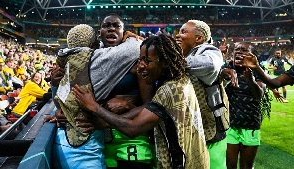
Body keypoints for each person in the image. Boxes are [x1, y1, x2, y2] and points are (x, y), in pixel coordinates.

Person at [72, 34, 209, 169]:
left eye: (147, 61)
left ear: (165, 62)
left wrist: (95, 107)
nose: (140, 66)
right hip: (196, 160)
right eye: (140, 60)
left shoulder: (169, 91)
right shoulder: (180, 80)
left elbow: (133, 128)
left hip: (182, 164)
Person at [50, 14, 154, 169]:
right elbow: (72, 96)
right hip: (99, 142)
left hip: (130, 139)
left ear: (124, 32)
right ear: (99, 33)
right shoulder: (89, 61)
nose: (111, 28)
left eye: (116, 26)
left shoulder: (136, 62)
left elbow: (151, 105)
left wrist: (114, 115)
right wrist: (61, 110)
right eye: (106, 26)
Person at [175, 20, 229, 169]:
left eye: (184, 32)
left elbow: (210, 64)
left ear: (198, 39)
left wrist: (171, 61)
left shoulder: (209, 50)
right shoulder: (182, 53)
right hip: (190, 127)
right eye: (179, 31)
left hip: (211, 128)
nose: (178, 35)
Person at [223, 42, 271, 169]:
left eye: (243, 50)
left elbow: (258, 95)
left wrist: (250, 80)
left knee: (246, 166)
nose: (238, 51)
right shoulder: (228, 68)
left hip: (250, 125)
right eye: (236, 49)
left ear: (252, 55)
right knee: (230, 165)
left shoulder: (258, 71)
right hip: (230, 125)